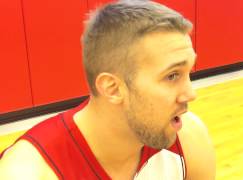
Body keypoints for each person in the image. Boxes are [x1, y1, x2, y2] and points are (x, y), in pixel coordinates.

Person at [0, 0, 215, 179]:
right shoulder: (28, 172)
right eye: (172, 76)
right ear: (112, 88)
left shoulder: (189, 137)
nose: (191, 93)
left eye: (188, 72)